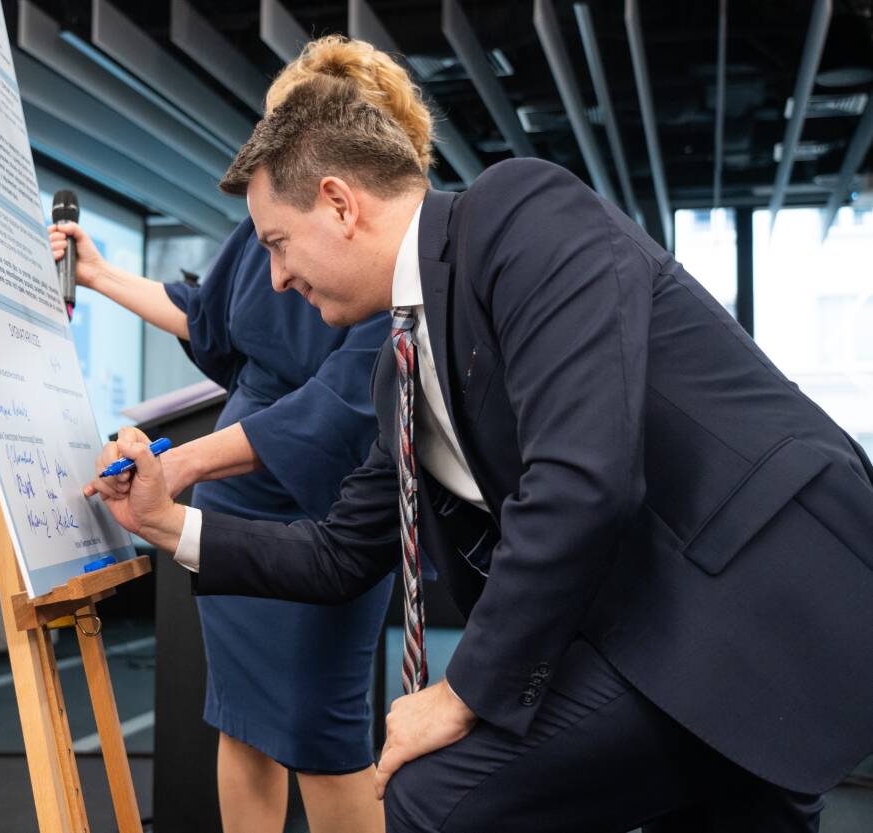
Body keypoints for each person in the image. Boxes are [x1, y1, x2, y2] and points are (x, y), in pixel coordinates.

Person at [85, 75, 873, 832]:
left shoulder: (519, 212)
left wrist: (460, 692)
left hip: (767, 597)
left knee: (432, 798)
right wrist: (164, 520)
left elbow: (582, 478)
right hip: (657, 630)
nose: (279, 277)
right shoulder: (398, 370)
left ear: (340, 204)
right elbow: (338, 554)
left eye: (278, 245)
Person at [51, 38, 442, 833]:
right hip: (232, 505)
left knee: (324, 736)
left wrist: (180, 464)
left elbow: (335, 410)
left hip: (325, 515)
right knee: (242, 724)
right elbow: (208, 317)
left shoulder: (399, 264)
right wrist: (97, 275)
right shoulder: (268, 225)